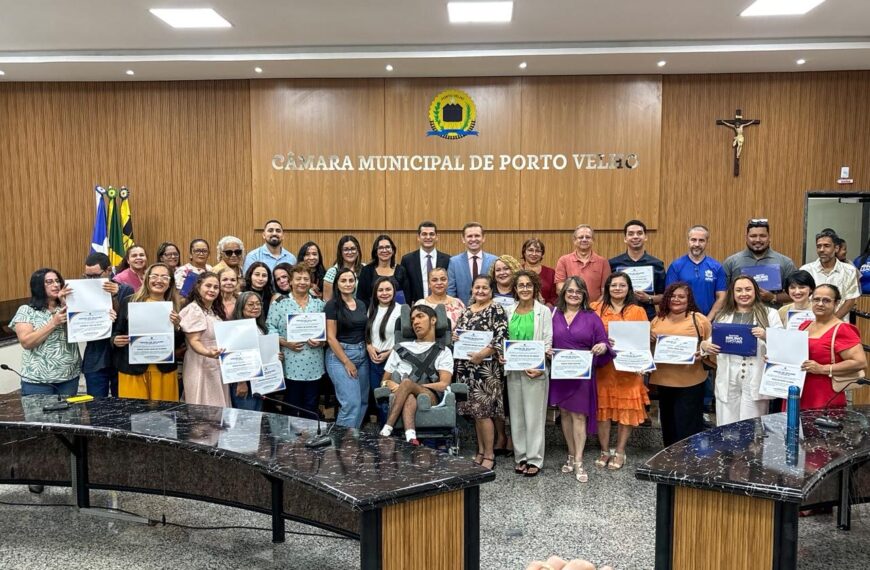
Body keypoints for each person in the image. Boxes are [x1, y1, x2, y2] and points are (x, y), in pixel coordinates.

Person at [549, 276, 613, 482]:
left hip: (582, 374)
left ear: (584, 294)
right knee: (565, 414)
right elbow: (543, 338)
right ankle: (569, 453)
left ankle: (578, 460)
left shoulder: (591, 316)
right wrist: (546, 349)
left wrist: (602, 346)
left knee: (579, 416)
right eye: (570, 291)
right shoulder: (553, 314)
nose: (574, 295)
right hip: (560, 373)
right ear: (563, 293)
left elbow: (603, 341)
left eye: (578, 291)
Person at [700, 275, 781, 425]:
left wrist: (766, 336)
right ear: (733, 293)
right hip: (728, 375)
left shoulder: (770, 314)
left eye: (748, 289)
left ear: (755, 291)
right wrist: (705, 346)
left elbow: (782, 346)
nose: (743, 294)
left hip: (754, 374)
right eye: (739, 290)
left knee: (752, 427)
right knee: (726, 426)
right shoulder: (724, 315)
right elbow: (714, 340)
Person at [590, 272, 650, 470]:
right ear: (607, 288)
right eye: (613, 285)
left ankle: (621, 451)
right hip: (604, 369)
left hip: (629, 371)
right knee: (603, 412)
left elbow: (642, 343)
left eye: (622, 285)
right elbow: (587, 335)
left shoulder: (638, 311)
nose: (617, 288)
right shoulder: (595, 309)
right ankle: (605, 450)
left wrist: (644, 364)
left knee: (627, 410)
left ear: (628, 288)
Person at [454, 275, 509, 471]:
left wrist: (482, 354)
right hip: (467, 370)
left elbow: (501, 336)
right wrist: (456, 336)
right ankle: (480, 450)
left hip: (486, 371)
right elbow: (459, 335)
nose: (480, 291)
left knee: (484, 413)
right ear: (472, 289)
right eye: (477, 287)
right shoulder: (467, 311)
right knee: (475, 414)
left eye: (485, 288)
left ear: (491, 290)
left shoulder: (497, 309)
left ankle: (489, 454)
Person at [379, 305, 454, 445]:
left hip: (431, 395)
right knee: (409, 396)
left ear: (433, 320)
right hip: (404, 395)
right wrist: (390, 384)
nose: (415, 322)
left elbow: (444, 384)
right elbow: (384, 381)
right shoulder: (399, 349)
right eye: (412, 319)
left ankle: (387, 428)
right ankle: (411, 437)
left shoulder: (444, 351)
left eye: (420, 316)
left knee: (407, 384)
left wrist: (411, 386)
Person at [650, 283, 712, 447]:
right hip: (664, 380)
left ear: (689, 299)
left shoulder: (699, 319)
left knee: (688, 424)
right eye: (672, 296)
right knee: (668, 423)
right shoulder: (657, 319)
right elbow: (649, 349)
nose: (676, 299)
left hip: (691, 381)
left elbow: (710, 345)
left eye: (681, 296)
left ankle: (687, 461)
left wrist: (703, 354)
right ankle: (668, 458)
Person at [504, 271, 552, 477]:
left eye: (528, 285)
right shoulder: (508, 310)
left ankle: (534, 459)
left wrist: (540, 365)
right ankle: (520, 456)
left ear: (535, 288)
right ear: (515, 289)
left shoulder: (544, 311)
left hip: (535, 371)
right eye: (520, 285)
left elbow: (548, 341)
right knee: (517, 416)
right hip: (514, 370)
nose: (524, 289)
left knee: (534, 416)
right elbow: (503, 339)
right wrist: (502, 355)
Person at [112, 263, 182, 401]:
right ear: (147, 279)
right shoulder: (130, 301)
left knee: (164, 417)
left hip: (164, 371)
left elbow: (179, 343)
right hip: (132, 371)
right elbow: (116, 331)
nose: (159, 280)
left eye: (164, 277)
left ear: (170, 282)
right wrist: (115, 340)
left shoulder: (175, 305)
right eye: (154, 276)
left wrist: (177, 326)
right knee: (135, 416)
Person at [793, 284, 867, 410]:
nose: (820, 304)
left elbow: (860, 362)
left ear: (836, 303)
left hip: (825, 395)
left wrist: (822, 368)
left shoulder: (843, 329)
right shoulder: (804, 326)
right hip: (798, 390)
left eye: (826, 300)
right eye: (816, 299)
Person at [266, 264, 326, 417]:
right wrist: (285, 343)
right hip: (291, 363)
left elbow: (327, 331)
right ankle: (289, 440)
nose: (302, 282)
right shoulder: (280, 303)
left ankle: (311, 438)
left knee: (311, 404)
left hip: (314, 363)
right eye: (298, 278)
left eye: (306, 279)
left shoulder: (319, 304)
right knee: (291, 404)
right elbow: (270, 328)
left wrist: (321, 341)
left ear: (310, 282)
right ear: (291, 282)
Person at [10, 268, 81, 396]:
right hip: (38, 381)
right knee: (40, 416)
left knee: (70, 416)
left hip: (69, 377)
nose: (56, 285)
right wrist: (53, 323)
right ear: (38, 286)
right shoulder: (27, 310)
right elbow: (26, 342)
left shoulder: (66, 307)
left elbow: (79, 332)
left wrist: (66, 303)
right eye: (49, 282)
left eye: (57, 281)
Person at [81, 252, 134, 398]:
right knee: (97, 407)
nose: (91, 280)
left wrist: (115, 296)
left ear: (108, 271)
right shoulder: (81, 292)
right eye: (87, 276)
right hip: (96, 356)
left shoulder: (125, 290)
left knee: (123, 407)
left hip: (119, 356)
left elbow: (127, 322)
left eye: (96, 276)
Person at [325, 268, 370, 428]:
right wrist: (346, 362)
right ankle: (341, 446)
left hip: (362, 354)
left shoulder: (361, 304)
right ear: (337, 284)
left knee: (363, 402)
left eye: (351, 280)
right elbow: (330, 337)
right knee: (351, 404)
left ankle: (353, 440)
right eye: (343, 281)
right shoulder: (332, 305)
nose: (348, 284)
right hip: (340, 356)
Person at [179, 272, 231, 407]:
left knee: (218, 405)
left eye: (216, 287)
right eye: (208, 286)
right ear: (198, 287)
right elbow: (194, 341)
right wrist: (208, 353)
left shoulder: (214, 309)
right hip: (200, 363)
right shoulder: (194, 309)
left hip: (216, 362)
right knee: (203, 407)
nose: (212, 290)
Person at [722, 218, 796, 305]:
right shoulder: (731, 262)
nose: (758, 240)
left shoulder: (785, 262)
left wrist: (773, 297)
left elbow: (796, 293)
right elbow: (722, 294)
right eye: (753, 236)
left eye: (762, 236)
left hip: (772, 316)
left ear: (769, 237)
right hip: (740, 316)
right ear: (746, 238)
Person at [665, 225, 727, 320]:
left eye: (701, 240)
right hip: (682, 321)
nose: (697, 244)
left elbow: (721, 297)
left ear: (707, 242)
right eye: (693, 240)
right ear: (688, 241)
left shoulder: (717, 267)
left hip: (709, 321)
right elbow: (670, 296)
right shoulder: (676, 266)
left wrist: (708, 320)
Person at [608, 220, 666, 320]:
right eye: (631, 234)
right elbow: (606, 292)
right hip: (619, 316)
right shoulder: (613, 263)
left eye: (639, 233)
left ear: (645, 237)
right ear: (625, 239)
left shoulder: (656, 264)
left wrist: (649, 298)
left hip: (648, 316)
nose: (635, 236)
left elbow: (664, 296)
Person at [366, 276, 403, 425]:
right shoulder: (370, 309)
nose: (384, 293)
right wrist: (369, 346)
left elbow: (404, 339)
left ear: (394, 291)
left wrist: (389, 353)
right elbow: (367, 334)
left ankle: (394, 432)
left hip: (393, 360)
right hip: (373, 360)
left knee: (392, 398)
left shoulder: (401, 310)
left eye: (388, 289)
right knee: (379, 398)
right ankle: (383, 435)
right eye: (380, 290)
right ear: (375, 293)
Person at [800, 229, 860, 319]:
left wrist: (832, 322)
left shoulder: (849, 270)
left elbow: (850, 300)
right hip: (811, 323)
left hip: (838, 324)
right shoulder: (806, 270)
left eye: (826, 246)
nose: (822, 250)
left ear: (836, 248)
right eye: (819, 246)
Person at [228, 291, 266, 411]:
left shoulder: (259, 326)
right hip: (244, 381)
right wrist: (241, 382)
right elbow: (235, 357)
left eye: (258, 303)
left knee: (255, 417)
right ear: (241, 307)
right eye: (250, 304)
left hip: (258, 380)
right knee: (245, 421)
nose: (255, 307)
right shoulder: (236, 328)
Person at [554, 224, 611, 302]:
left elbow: (606, 291)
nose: (584, 240)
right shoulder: (564, 260)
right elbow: (560, 288)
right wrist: (574, 303)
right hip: (570, 308)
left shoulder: (603, 262)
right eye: (581, 237)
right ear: (574, 240)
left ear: (593, 240)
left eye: (588, 237)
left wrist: (593, 308)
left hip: (595, 310)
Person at [400, 220, 450, 304]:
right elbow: (406, 288)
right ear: (418, 237)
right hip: (417, 308)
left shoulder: (447, 259)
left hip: (442, 306)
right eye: (424, 234)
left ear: (436, 237)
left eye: (431, 234)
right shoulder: (407, 260)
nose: (428, 237)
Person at [447, 222, 497, 304]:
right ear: (463, 239)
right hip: (462, 312)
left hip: (488, 311)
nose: (473, 239)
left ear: (483, 238)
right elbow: (451, 291)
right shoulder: (454, 262)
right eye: (469, 236)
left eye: (477, 236)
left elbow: (496, 289)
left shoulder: (494, 260)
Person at [358, 234, 408, 305]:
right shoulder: (366, 270)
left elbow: (407, 296)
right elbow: (361, 297)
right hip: (372, 313)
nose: (384, 250)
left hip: (396, 313)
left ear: (393, 250)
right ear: (376, 252)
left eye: (387, 247)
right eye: (381, 248)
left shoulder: (401, 270)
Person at [323, 235, 363, 301]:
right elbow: (327, 301)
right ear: (340, 252)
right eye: (346, 249)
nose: (350, 252)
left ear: (358, 251)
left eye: (353, 249)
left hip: (361, 309)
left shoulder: (365, 269)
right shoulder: (332, 272)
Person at [520, 238, 557, 306]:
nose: (534, 254)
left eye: (537, 251)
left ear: (542, 254)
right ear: (524, 252)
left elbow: (554, 297)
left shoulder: (551, 273)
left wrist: (545, 309)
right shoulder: (517, 271)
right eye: (530, 250)